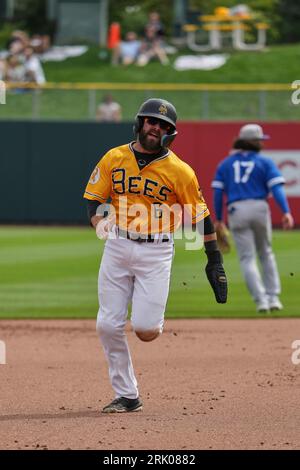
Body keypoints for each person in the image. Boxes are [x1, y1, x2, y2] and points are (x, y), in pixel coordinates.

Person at [83, 98, 227, 413]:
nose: (156, 128)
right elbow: (94, 200)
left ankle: (152, 320)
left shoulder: (180, 171)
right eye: (152, 121)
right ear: (140, 123)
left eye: (164, 125)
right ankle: (128, 395)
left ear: (170, 133)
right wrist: (99, 222)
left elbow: (200, 215)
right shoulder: (114, 157)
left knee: (146, 330)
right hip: (117, 246)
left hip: (157, 250)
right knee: (108, 325)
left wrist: (213, 257)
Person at [212, 123, 294, 313]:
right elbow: (277, 188)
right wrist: (286, 211)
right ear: (252, 142)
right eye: (259, 140)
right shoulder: (264, 162)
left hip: (236, 210)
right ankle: (273, 298)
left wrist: (219, 219)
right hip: (259, 207)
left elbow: (217, 191)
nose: (261, 143)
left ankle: (261, 301)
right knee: (266, 253)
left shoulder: (226, 163)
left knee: (247, 258)